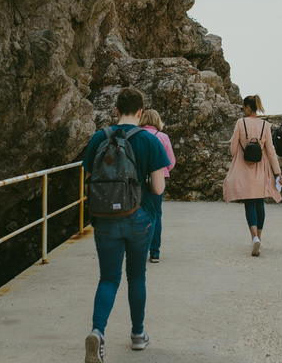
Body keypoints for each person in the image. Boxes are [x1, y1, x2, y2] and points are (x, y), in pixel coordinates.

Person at [82, 87, 170, 363]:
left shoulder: (99, 137)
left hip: (105, 219)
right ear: (141, 112)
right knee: (136, 276)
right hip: (138, 219)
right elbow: (157, 188)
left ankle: (98, 331)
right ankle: (137, 335)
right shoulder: (149, 140)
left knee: (108, 278)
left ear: (116, 110)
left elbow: (88, 176)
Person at [222, 95, 282, 257]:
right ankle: (259, 239)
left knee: (249, 202)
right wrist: (278, 172)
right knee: (259, 203)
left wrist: (236, 145)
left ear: (248, 108)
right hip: (261, 168)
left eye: (244, 107)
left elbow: (233, 150)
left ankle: (254, 237)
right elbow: (270, 151)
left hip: (245, 168)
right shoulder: (265, 125)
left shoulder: (240, 123)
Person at [139, 109, 176, 263]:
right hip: (158, 180)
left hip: (138, 180)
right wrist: (163, 171)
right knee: (156, 213)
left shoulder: (136, 135)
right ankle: (155, 252)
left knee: (138, 213)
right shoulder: (162, 137)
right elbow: (171, 162)